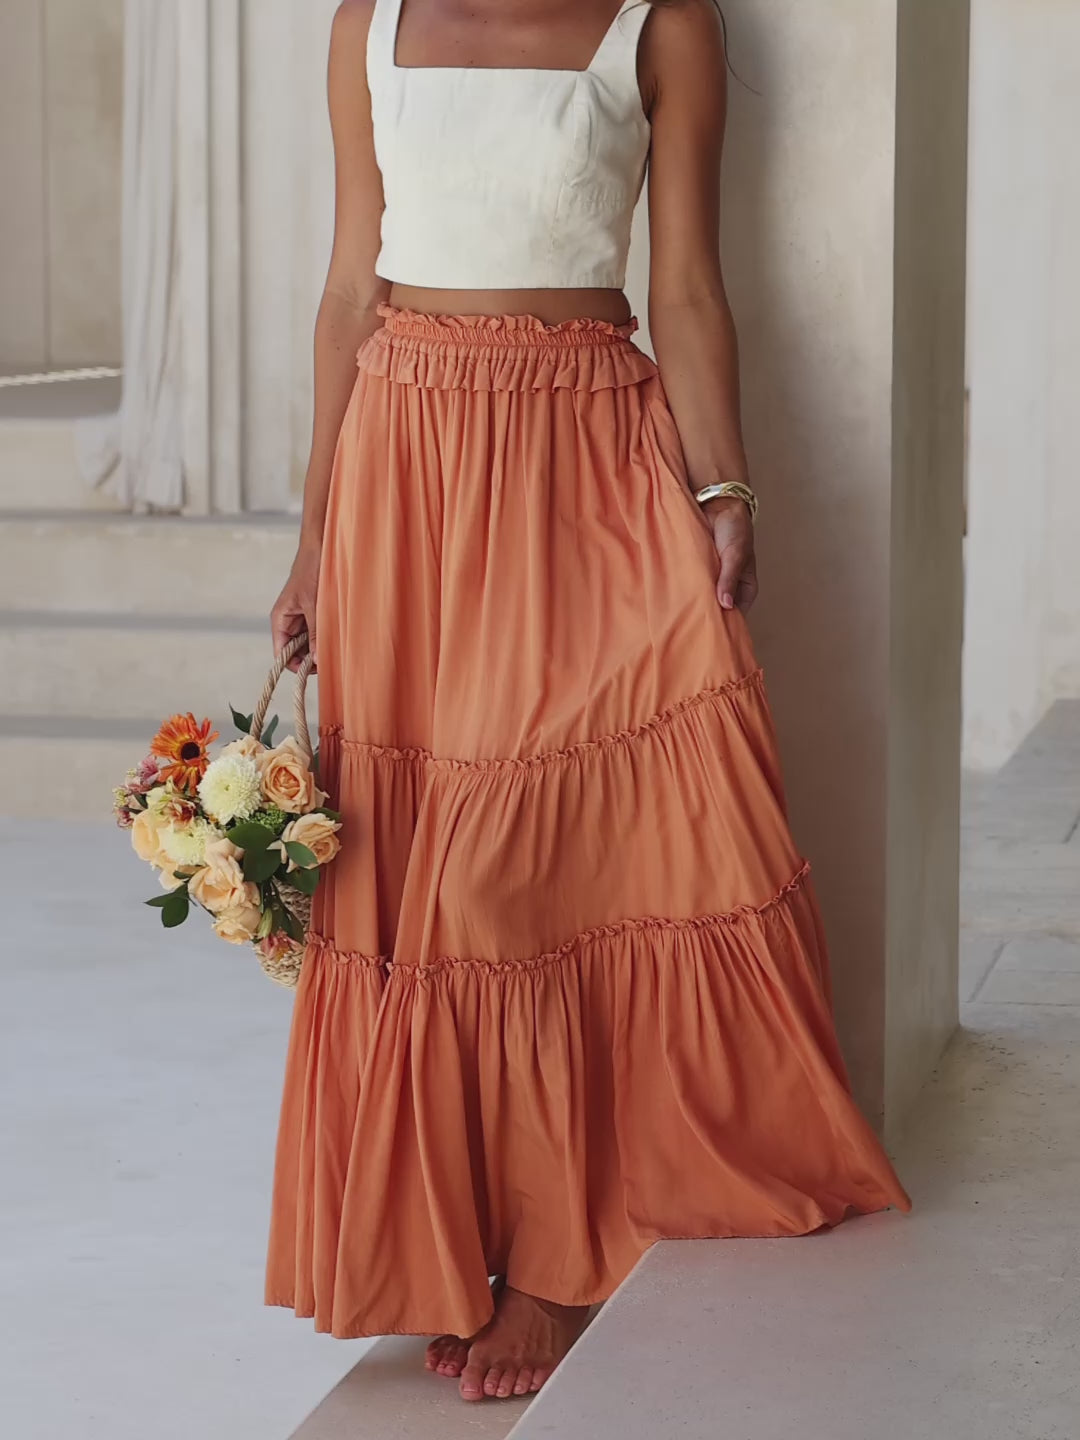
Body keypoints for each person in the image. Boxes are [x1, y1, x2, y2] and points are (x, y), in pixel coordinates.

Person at [267, 0, 910, 1405]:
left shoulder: (661, 24)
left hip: (585, 456)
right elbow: (343, 288)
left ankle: (558, 1263)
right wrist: (315, 536)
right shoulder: (369, 23)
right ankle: (464, 1241)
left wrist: (725, 484)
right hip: (409, 465)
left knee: (522, 863)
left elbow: (685, 286)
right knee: (424, 866)